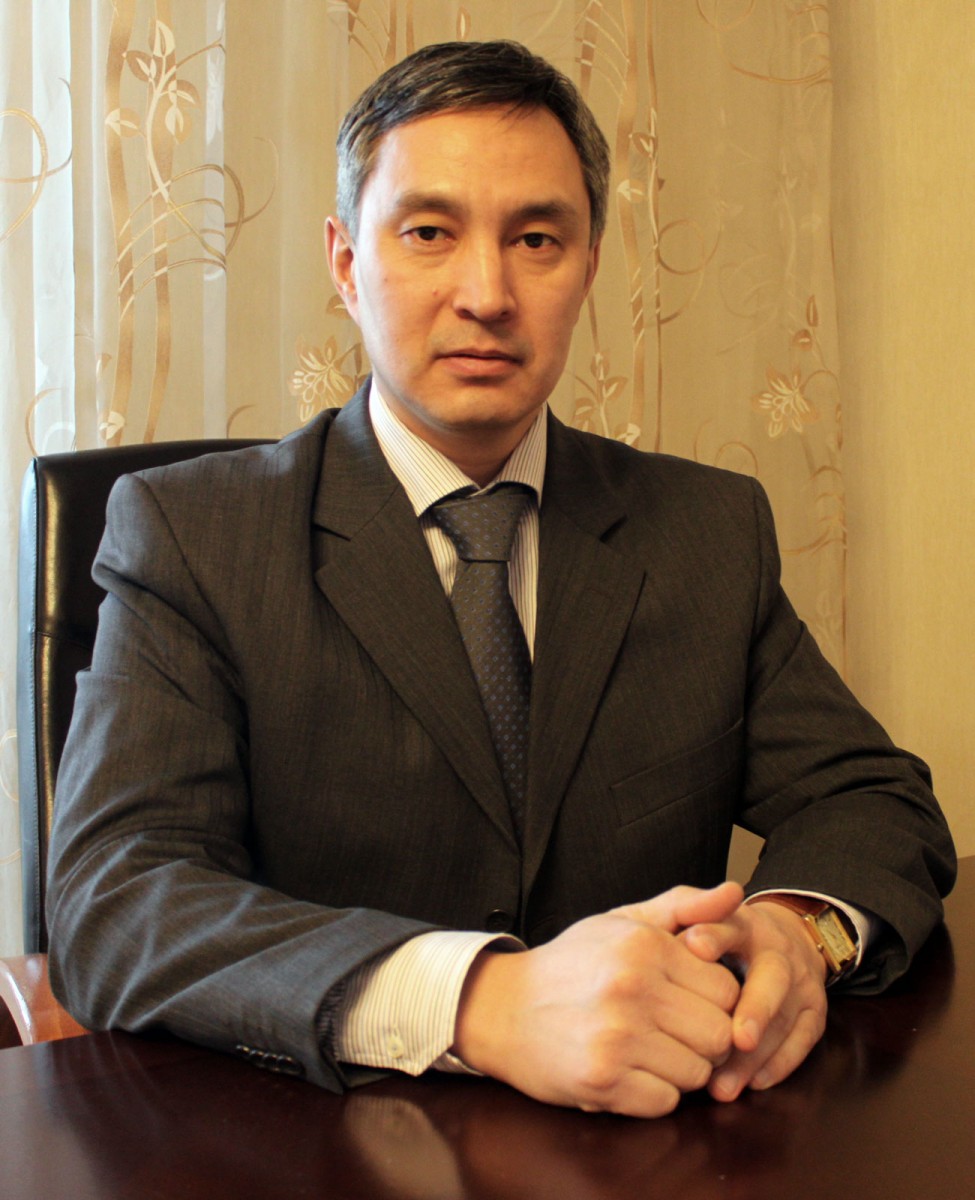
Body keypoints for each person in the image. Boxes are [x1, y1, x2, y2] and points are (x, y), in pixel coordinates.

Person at [46, 40, 955, 1119]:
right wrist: (483, 1000)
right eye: (428, 233)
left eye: (536, 240)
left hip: (653, 1141)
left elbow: (871, 799)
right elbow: (118, 902)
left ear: (590, 264)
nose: (486, 294)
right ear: (346, 262)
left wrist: (796, 931)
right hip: (320, 1143)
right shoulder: (196, 534)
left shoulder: (705, 531)